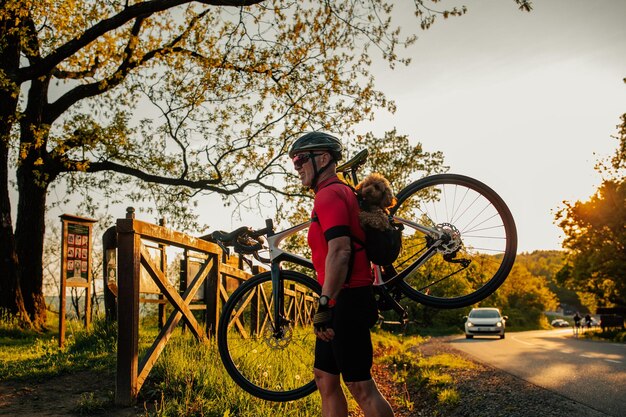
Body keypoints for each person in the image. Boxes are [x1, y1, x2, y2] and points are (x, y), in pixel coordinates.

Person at [289, 132, 394, 417]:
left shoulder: (330, 194)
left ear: (323, 158)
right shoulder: (338, 192)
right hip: (339, 297)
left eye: (299, 159)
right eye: (294, 161)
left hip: (347, 299)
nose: (296, 166)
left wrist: (325, 304)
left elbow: (340, 251)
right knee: (325, 379)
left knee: (361, 386)